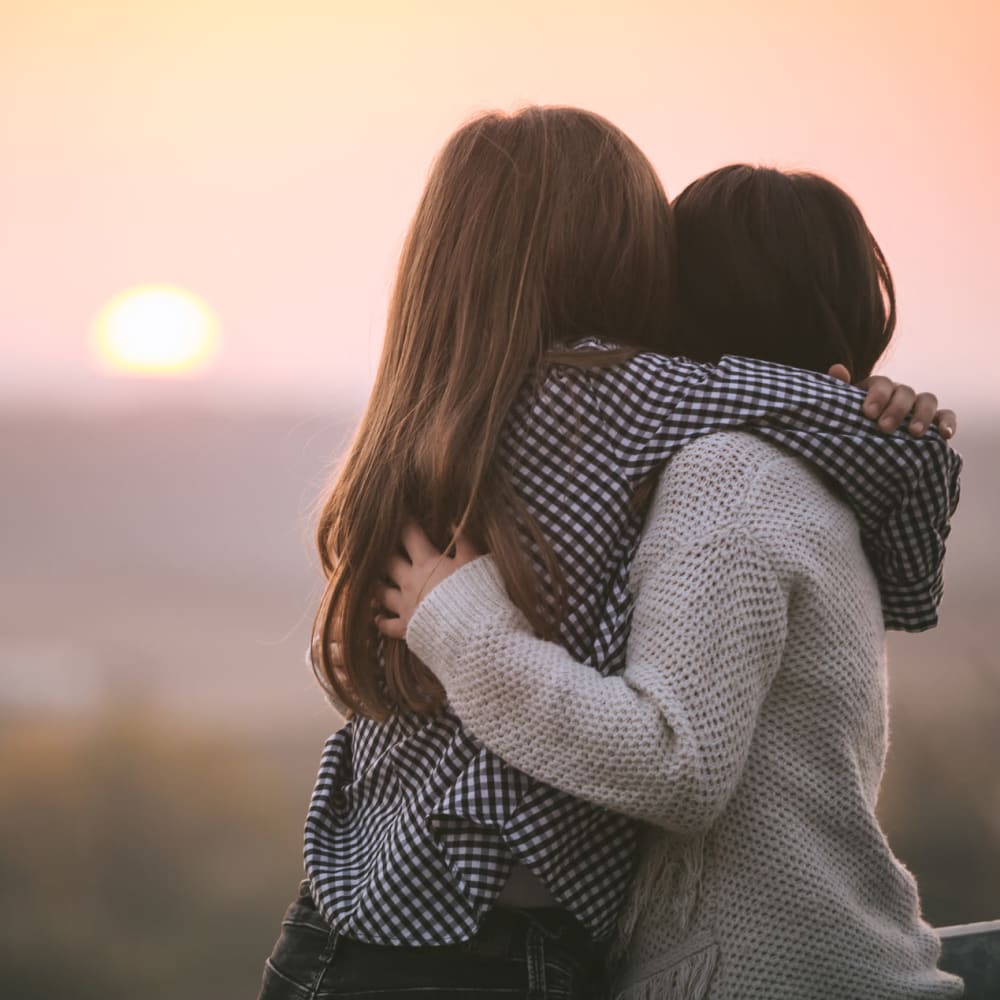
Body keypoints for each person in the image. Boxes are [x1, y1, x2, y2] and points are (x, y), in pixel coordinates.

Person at [256, 108, 959, 1000]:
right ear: (621, 253)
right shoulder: (627, 396)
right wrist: (885, 410)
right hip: (480, 946)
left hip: (344, 920)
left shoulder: (418, 425)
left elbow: (352, 671)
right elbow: (897, 468)